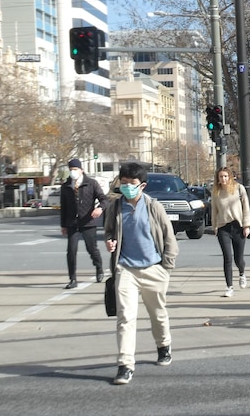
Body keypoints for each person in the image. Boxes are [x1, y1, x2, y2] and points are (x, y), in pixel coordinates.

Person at [104, 162, 178, 385]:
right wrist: (110, 242)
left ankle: (163, 345)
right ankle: (125, 364)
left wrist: (166, 268)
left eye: (132, 184)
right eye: (123, 183)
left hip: (153, 269)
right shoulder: (115, 208)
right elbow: (109, 232)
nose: (127, 187)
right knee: (125, 317)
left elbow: (169, 238)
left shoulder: (154, 207)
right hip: (126, 269)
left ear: (142, 185)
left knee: (158, 314)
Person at [59, 158, 108, 289]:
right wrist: (63, 225)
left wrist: (99, 209)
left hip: (88, 222)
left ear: (81, 170)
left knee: (91, 249)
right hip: (72, 223)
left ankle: (99, 268)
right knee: (71, 250)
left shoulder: (91, 183)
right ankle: (73, 279)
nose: (73, 172)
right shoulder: (66, 186)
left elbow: (104, 199)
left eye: (75, 169)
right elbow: (63, 207)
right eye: (71, 170)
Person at [211, 167, 250, 298]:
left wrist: (246, 225)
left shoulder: (239, 189)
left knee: (238, 259)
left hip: (238, 226)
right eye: (221, 177)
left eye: (225, 176)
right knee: (227, 258)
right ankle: (229, 287)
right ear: (218, 179)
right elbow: (214, 210)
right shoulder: (216, 192)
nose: (223, 179)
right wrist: (215, 226)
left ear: (230, 177)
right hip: (223, 227)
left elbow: (246, 207)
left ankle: (242, 273)